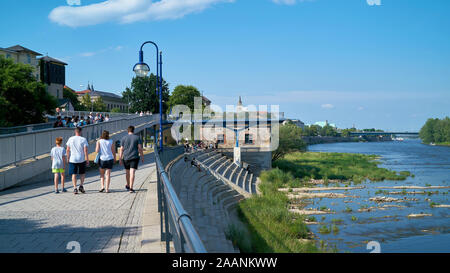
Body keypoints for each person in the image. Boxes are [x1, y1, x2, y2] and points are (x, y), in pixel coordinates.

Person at [119, 126, 144, 193]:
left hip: (126, 157)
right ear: (133, 130)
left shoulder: (123, 138)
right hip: (134, 157)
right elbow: (140, 148)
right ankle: (131, 188)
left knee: (127, 172)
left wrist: (120, 158)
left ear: (128, 131)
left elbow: (121, 149)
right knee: (132, 172)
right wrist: (142, 156)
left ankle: (128, 185)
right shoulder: (137, 137)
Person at [66, 127, 89, 195]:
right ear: (80, 132)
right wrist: (87, 158)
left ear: (75, 131)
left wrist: (68, 158)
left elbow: (67, 149)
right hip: (81, 159)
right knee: (82, 173)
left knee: (74, 174)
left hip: (73, 159)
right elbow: (85, 150)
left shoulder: (70, 139)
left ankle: (75, 187)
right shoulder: (83, 139)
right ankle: (81, 186)